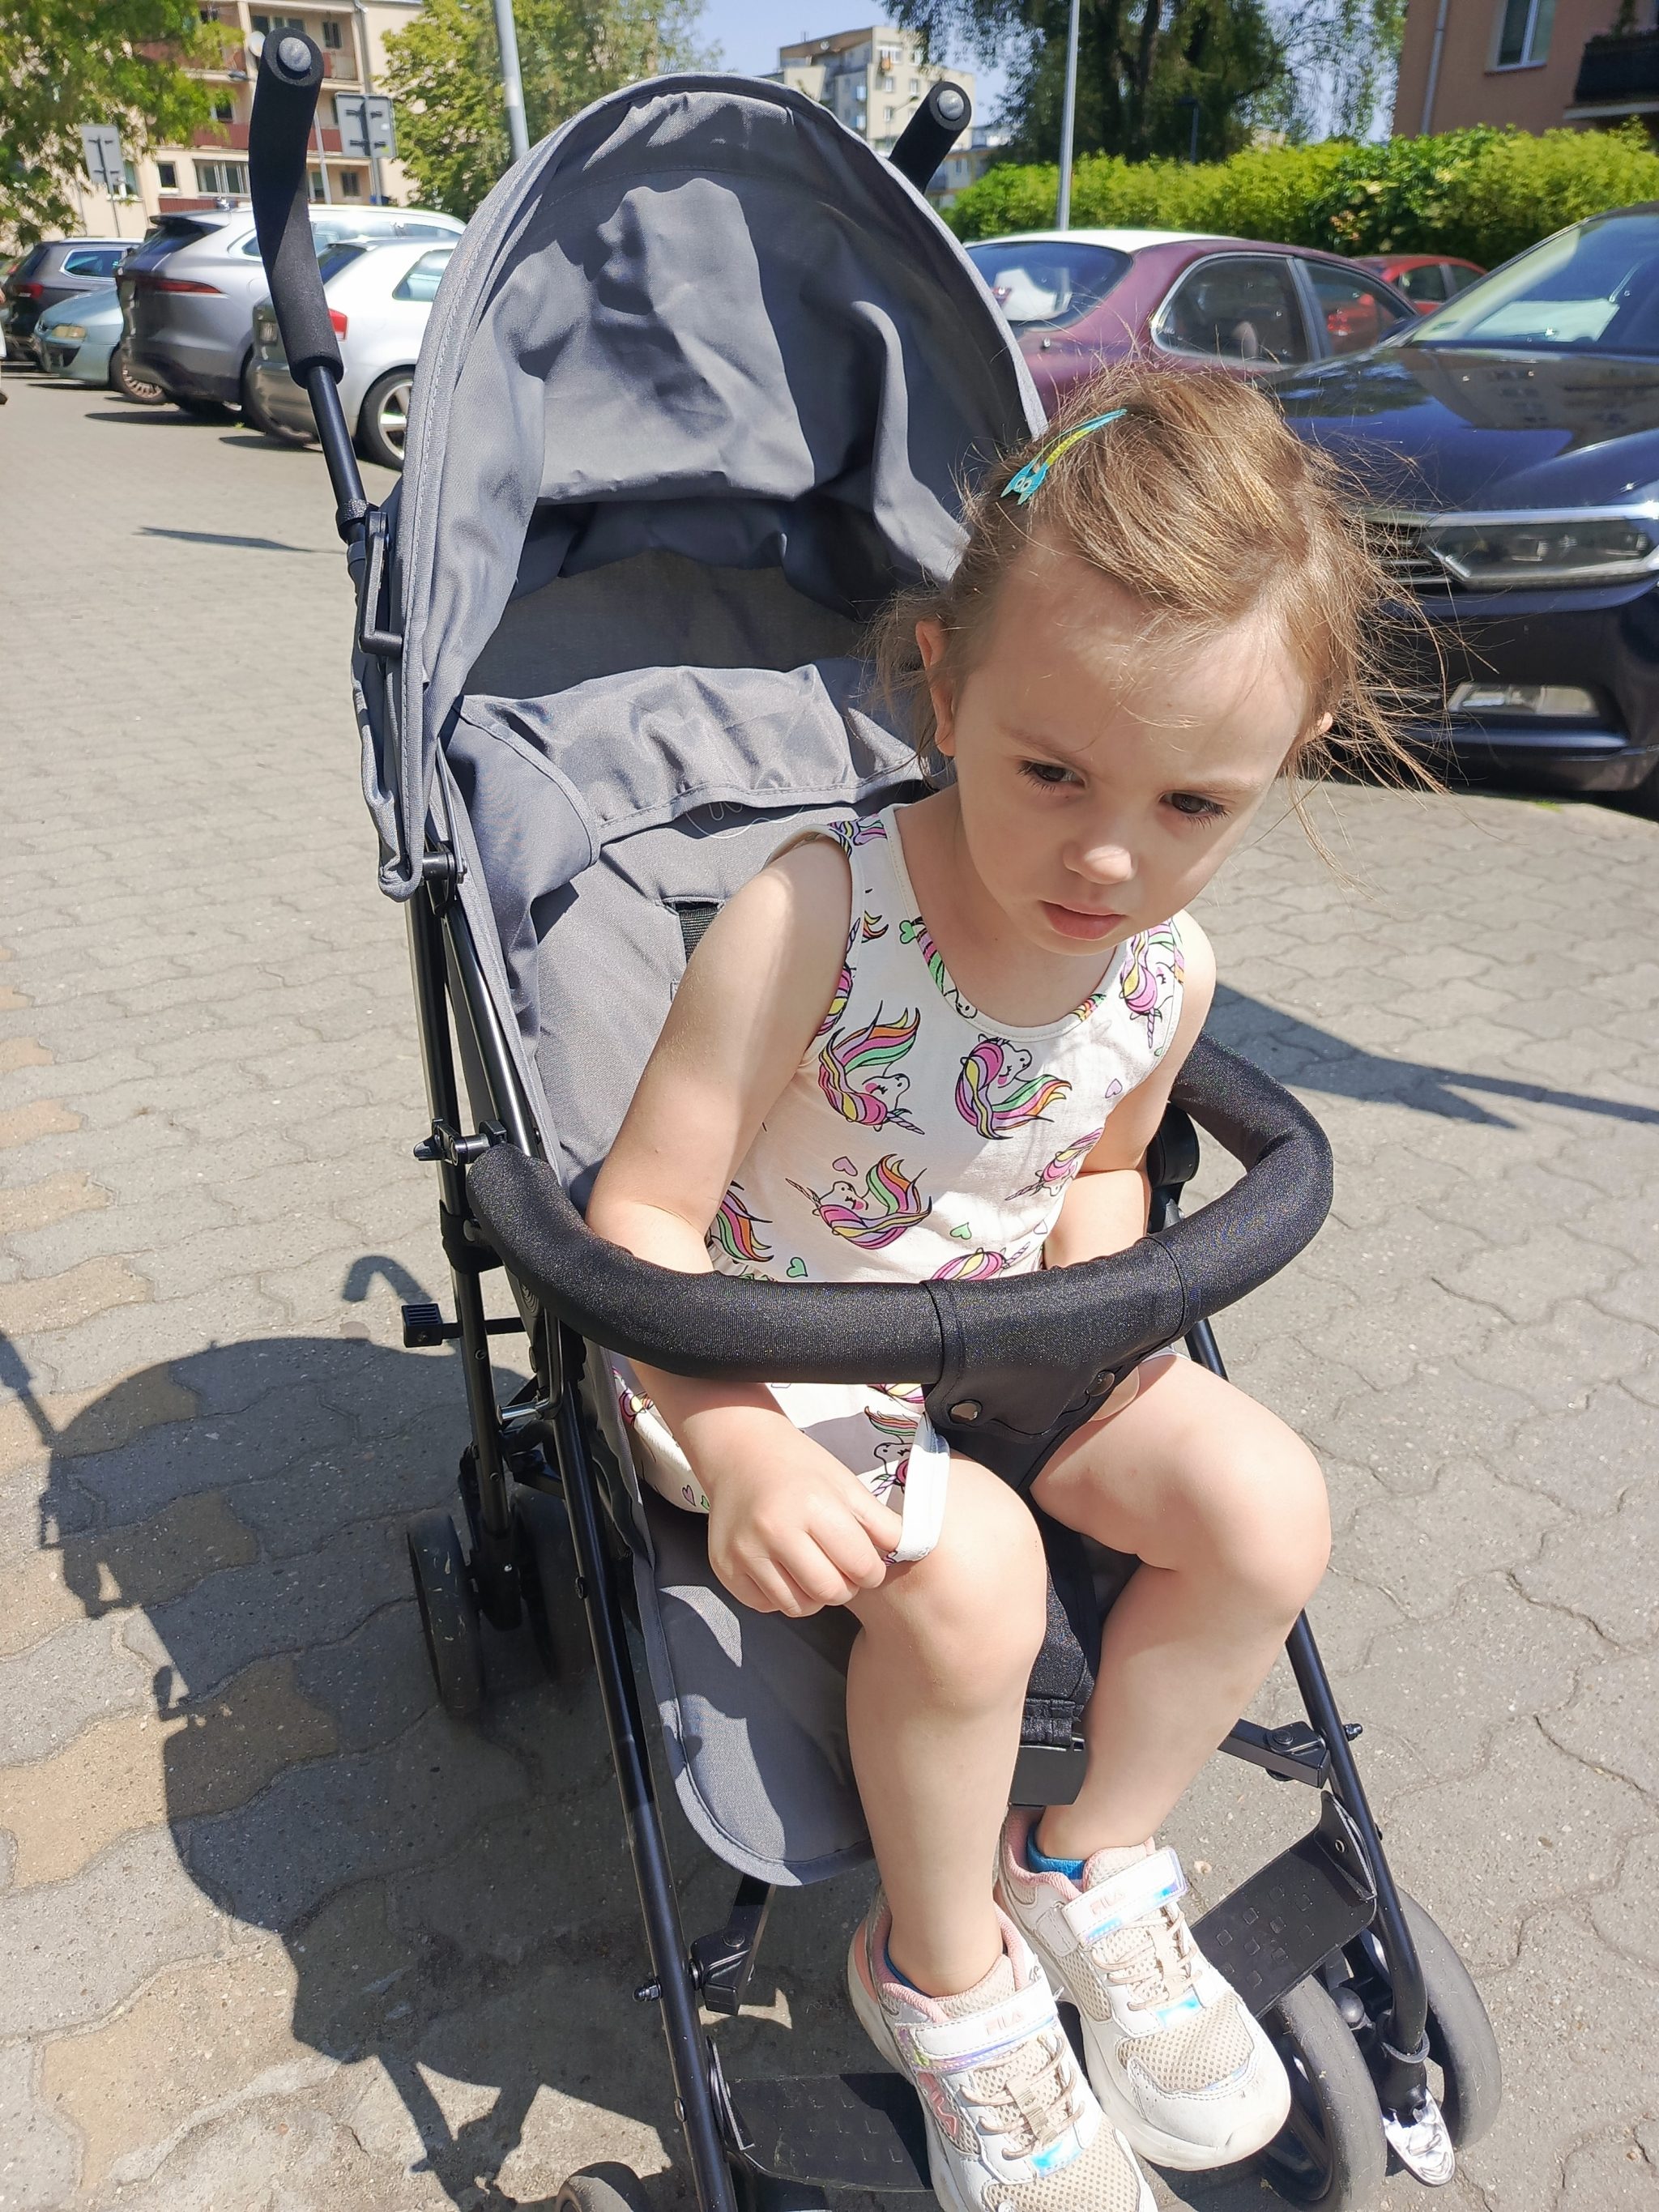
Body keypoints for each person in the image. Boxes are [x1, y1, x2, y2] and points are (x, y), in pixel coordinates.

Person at [586, 369, 1411, 2212]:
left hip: (1007, 1341)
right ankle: (942, 1973)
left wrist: (1102, 1302)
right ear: (945, 688)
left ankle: (1087, 1855)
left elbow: (1102, 1164)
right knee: (977, 1574)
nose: (1109, 855)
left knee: (1267, 1505)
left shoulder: (1164, 972)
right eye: (1052, 774)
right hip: (756, 1352)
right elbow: (639, 1218)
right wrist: (738, 1443)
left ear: (1290, 755)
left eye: (1191, 801)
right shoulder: (817, 915)